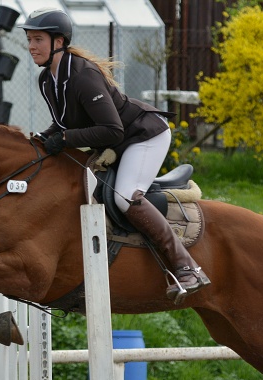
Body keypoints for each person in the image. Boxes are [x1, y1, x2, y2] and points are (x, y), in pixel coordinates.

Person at [19, 8, 210, 302]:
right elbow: (63, 122)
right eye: (29, 40)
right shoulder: (48, 79)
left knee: (124, 197)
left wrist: (67, 139)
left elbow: (112, 130)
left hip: (144, 136)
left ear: (59, 41)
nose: (31, 46)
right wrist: (45, 138)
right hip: (118, 140)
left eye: (38, 40)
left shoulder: (83, 76)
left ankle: (186, 267)